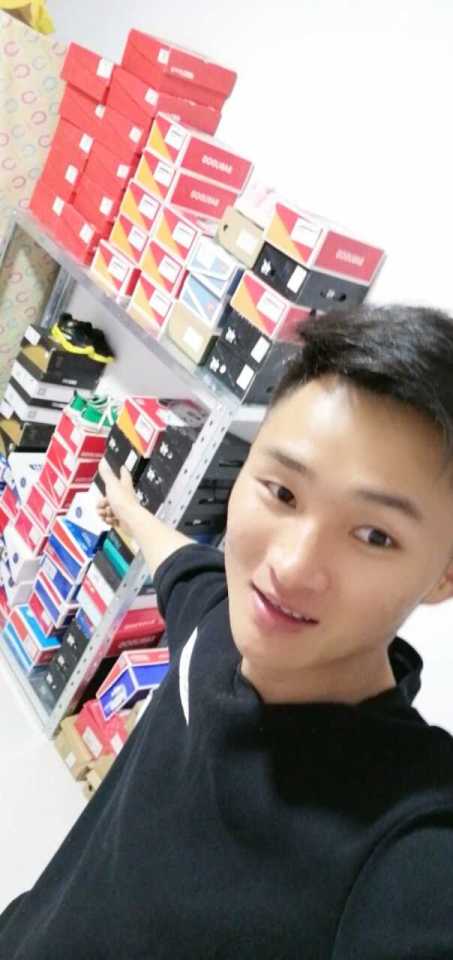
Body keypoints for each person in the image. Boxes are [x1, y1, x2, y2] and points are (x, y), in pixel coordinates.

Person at [1, 302, 453, 959]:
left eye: (374, 535)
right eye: (283, 493)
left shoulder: (405, 834)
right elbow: (181, 559)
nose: (289, 568)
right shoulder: (217, 626)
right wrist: (127, 506)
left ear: (444, 573)